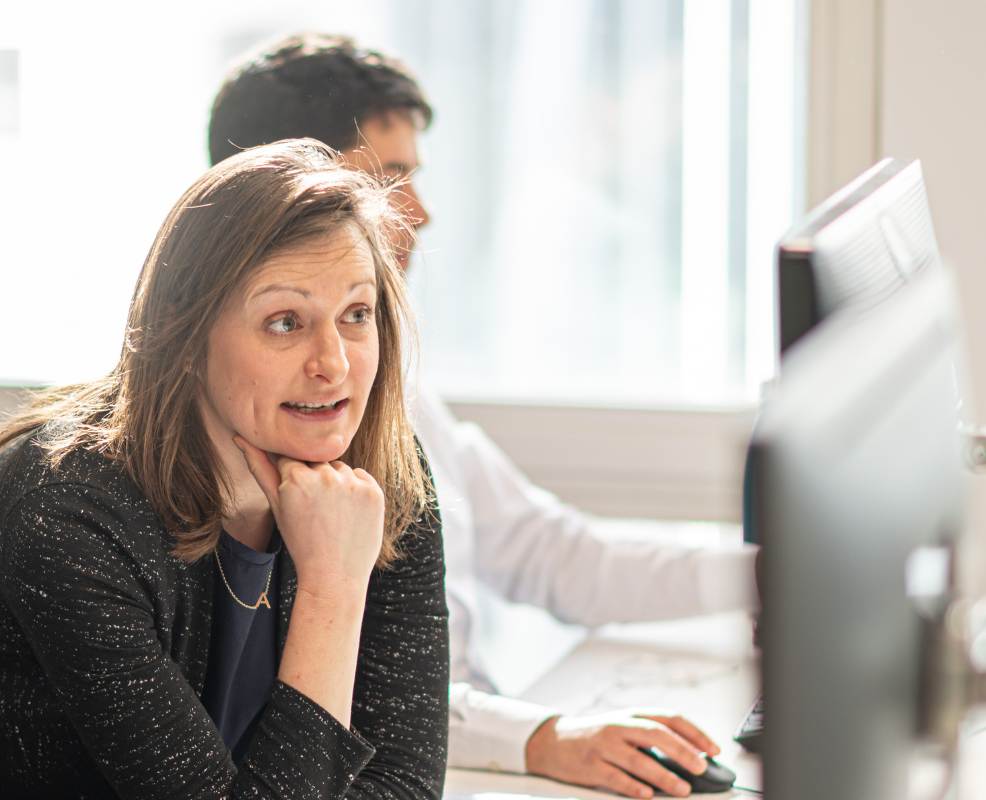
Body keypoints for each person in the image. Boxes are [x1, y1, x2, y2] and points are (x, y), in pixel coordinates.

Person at [208, 34, 758, 799]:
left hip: (464, 756)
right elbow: (344, 702)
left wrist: (772, 573)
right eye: (387, 183)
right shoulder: (277, 418)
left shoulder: (385, 379)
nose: (421, 215)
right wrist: (540, 736)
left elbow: (549, 551)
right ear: (288, 198)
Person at [0, 141, 448, 799]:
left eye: (356, 315)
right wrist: (332, 590)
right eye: (285, 322)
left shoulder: (380, 473)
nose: (333, 363)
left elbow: (403, 782)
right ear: (184, 332)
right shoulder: (68, 507)